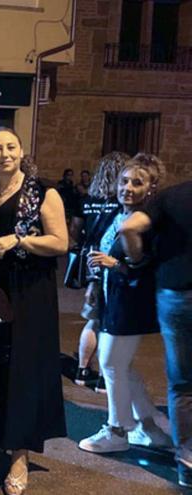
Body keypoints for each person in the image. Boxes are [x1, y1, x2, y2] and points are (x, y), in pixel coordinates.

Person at [0, 128, 68, 495]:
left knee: (22, 371)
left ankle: (19, 455)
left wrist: (19, 239)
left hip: (30, 291)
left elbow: (60, 242)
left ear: (22, 151)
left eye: (11, 147)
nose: (5, 154)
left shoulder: (43, 191)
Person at [78, 156, 172, 456]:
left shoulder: (146, 222)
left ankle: (117, 430)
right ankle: (149, 426)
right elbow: (101, 250)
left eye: (137, 183)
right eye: (124, 181)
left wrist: (115, 264)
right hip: (112, 299)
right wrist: (95, 282)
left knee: (109, 363)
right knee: (122, 366)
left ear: (150, 188)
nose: (127, 188)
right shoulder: (117, 214)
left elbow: (146, 266)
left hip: (131, 304)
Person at [120, 178, 192, 488]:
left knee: (182, 383)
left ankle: (187, 462)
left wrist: (137, 259)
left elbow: (128, 228)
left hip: (177, 295)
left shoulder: (173, 195)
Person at [70, 152, 127, 388]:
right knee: (110, 323)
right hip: (112, 261)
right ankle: (104, 378)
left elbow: (75, 230)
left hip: (90, 262)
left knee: (93, 318)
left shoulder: (86, 200)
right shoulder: (122, 203)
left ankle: (82, 370)